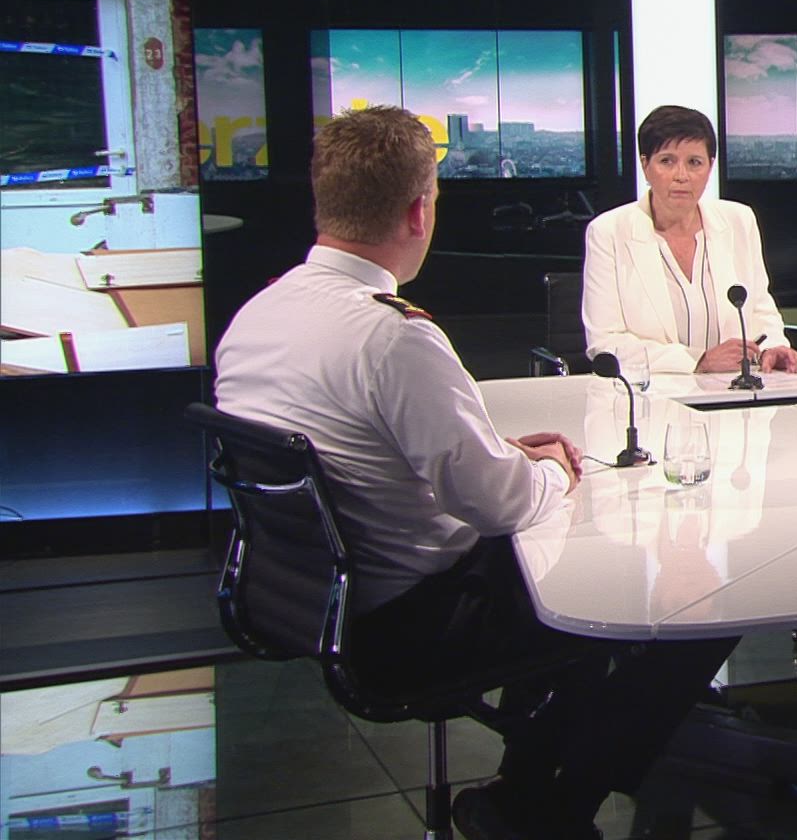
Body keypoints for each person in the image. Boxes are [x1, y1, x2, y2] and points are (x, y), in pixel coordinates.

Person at [214, 106, 735, 840]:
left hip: (308, 599)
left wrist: (502, 453)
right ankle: (556, 807)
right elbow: (497, 505)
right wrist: (554, 469)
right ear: (419, 211)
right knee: (689, 607)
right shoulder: (395, 336)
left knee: (566, 571)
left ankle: (525, 786)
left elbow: (363, 447)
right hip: (417, 621)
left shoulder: (257, 317)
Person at [583, 105, 797, 376]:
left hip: (732, 390)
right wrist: (698, 362)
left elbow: (759, 308)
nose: (681, 176)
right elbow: (605, 342)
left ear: (710, 166)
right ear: (645, 165)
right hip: (650, 393)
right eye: (667, 161)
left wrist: (773, 347)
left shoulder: (739, 220)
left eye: (694, 162)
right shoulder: (608, 232)